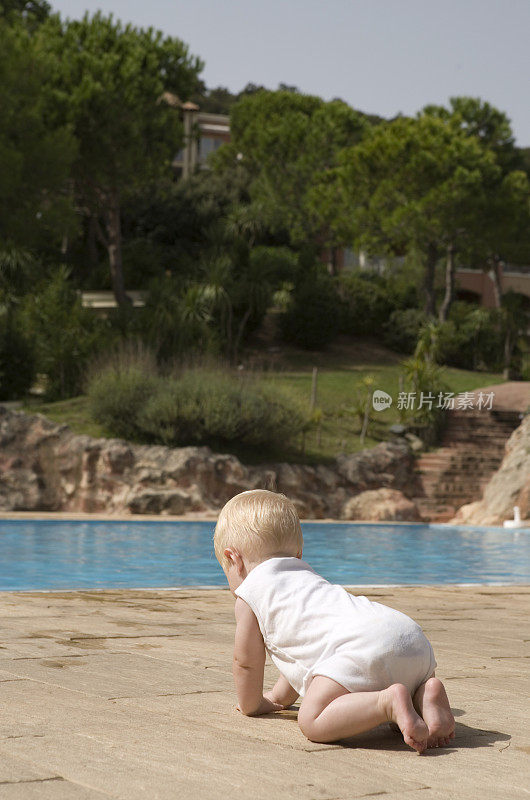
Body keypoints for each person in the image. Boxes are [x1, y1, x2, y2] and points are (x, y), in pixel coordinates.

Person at [214, 489, 455, 754]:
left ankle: (387, 702)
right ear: (298, 554)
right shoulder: (306, 579)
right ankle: (425, 693)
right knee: (391, 673)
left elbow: (246, 663)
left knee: (312, 720)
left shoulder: (250, 595)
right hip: (409, 637)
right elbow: (302, 652)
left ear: (233, 559)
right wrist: (280, 698)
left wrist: (253, 705)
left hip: (366, 648)